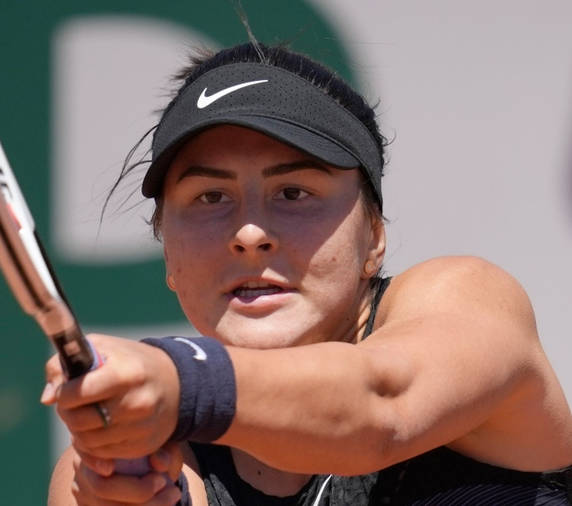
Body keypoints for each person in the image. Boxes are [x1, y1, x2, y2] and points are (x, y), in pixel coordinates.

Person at [42, 42, 572, 505]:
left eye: (294, 193)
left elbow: (378, 405)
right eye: (210, 196)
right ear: (168, 256)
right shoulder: (117, 467)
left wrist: (181, 378)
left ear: (374, 237)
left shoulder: (466, 297)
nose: (249, 233)